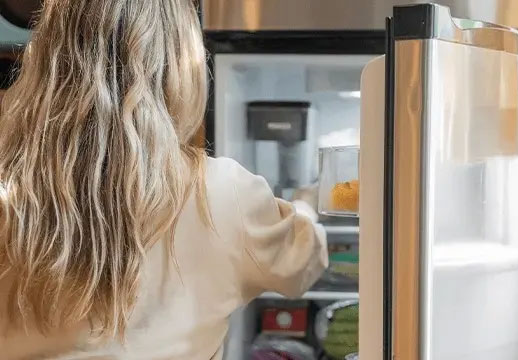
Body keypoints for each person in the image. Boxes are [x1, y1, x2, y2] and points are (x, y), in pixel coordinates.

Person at [0, 0, 327, 359]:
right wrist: (305, 204)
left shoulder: (9, 191)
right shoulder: (222, 195)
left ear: (47, 57)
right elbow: (302, 265)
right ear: (178, 64)